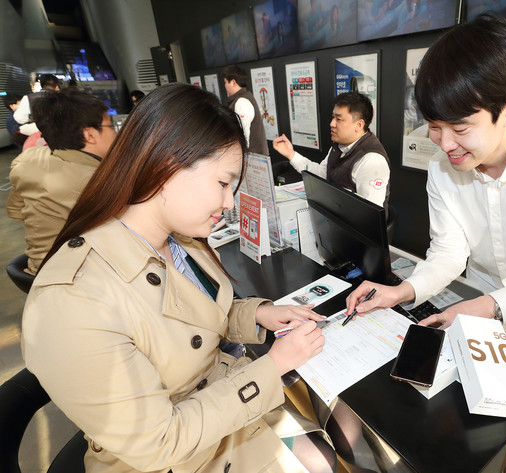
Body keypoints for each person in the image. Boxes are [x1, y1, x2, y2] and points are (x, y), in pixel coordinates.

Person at [21, 84, 336, 473]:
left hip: (216, 408)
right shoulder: (72, 301)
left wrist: (256, 314)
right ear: (167, 165)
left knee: (321, 453)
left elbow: (192, 318)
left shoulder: (180, 240)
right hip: (173, 456)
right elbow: (159, 443)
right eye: (223, 184)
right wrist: (271, 367)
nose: (229, 203)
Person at [346, 14, 506, 328]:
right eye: (434, 127)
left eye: (460, 129)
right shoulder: (441, 167)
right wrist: (401, 291)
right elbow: (448, 250)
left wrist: (489, 307)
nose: (446, 145)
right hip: (477, 294)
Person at [7, 88, 117, 275]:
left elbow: (15, 212)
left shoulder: (27, 159)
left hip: (40, 268)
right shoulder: (102, 182)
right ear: (89, 135)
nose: (116, 133)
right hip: (83, 277)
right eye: (111, 126)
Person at [273, 92, 390, 211]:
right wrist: (291, 154)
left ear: (359, 125)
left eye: (339, 119)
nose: (332, 123)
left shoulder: (371, 160)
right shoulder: (340, 145)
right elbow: (323, 174)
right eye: (333, 117)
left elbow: (370, 214)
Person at [223, 65, 270, 156]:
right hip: (255, 157)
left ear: (233, 82)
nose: (225, 86)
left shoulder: (242, 102)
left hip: (253, 159)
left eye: (225, 82)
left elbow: (244, 137)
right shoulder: (245, 97)